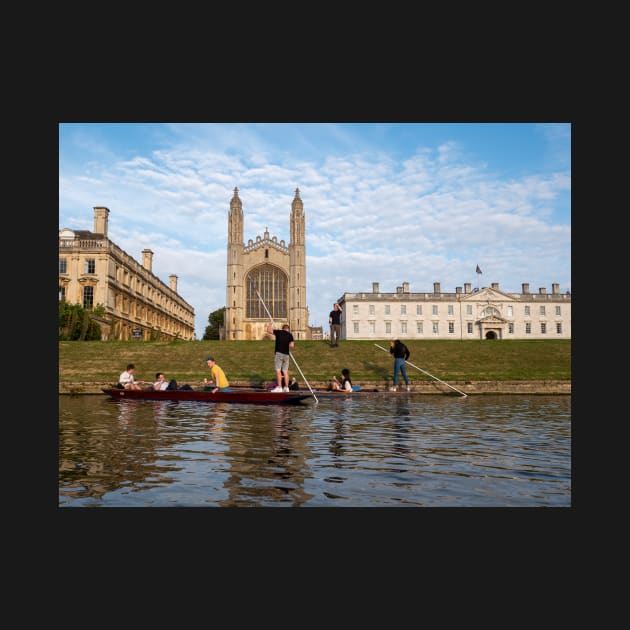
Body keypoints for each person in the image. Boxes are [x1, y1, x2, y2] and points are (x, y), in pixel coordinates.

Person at [266, 322, 294, 392]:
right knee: (285, 371)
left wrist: (270, 324)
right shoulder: (290, 335)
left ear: (283, 328)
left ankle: (279, 387)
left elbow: (269, 331)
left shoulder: (279, 332)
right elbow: (292, 345)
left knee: (278, 370)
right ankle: (286, 387)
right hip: (286, 355)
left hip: (279, 353)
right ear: (288, 329)